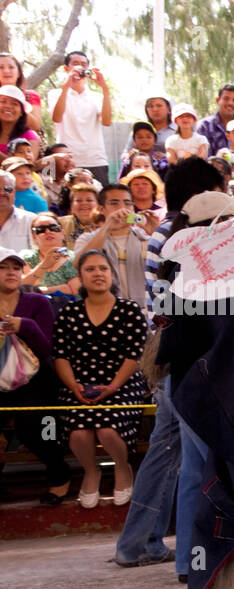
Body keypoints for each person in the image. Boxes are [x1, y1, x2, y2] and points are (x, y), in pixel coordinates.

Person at [50, 249, 150, 507]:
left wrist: (114, 385)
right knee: (79, 432)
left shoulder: (129, 311)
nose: (98, 274)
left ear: (112, 274)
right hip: (78, 383)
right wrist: (73, 386)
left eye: (103, 268)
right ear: (81, 277)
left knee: (107, 428)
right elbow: (60, 355)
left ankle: (122, 467)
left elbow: (134, 355)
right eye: (90, 269)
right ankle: (91, 471)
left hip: (122, 383)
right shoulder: (69, 313)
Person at [0, 246, 73, 503]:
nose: (11, 272)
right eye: (3, 267)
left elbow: (46, 350)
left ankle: (59, 476)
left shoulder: (38, 302)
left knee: (35, 426)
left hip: (36, 380)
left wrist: (25, 326)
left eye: (16, 267)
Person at [72, 184, 150, 309]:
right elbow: (79, 264)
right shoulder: (87, 239)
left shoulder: (145, 238)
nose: (122, 208)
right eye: (114, 203)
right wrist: (107, 227)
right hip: (104, 311)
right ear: (101, 209)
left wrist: (156, 232)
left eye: (127, 203)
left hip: (145, 311)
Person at [49, 52, 112, 187]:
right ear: (66, 68)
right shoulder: (56, 94)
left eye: (84, 64)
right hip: (67, 161)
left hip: (95, 159)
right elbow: (56, 117)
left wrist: (105, 89)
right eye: (75, 64)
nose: (80, 67)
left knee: (100, 202)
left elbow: (106, 122)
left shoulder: (97, 97)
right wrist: (66, 87)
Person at [20, 213, 78, 295]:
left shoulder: (75, 257)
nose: (48, 232)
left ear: (62, 232)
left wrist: (39, 290)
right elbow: (21, 287)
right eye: (41, 229)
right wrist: (44, 265)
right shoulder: (26, 256)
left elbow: (74, 289)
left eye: (53, 228)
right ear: (34, 237)